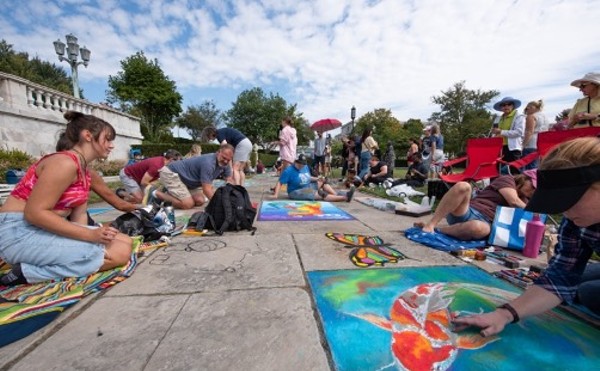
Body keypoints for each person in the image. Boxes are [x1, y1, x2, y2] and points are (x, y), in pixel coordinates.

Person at [453, 137, 600, 336]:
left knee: (588, 292)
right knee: (576, 282)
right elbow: (559, 279)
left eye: (569, 200)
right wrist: (505, 314)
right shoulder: (576, 221)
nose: (564, 212)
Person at [0, 111, 132, 286]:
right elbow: (34, 214)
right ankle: (25, 273)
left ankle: (38, 262)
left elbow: (79, 218)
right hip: (18, 232)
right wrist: (91, 235)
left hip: (37, 229)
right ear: (87, 136)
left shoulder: (83, 170)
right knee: (119, 253)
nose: (111, 146)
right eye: (107, 139)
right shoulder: (64, 163)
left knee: (125, 241)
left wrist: (93, 235)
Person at [414, 170, 536, 240]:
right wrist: (535, 211)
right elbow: (513, 201)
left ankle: (437, 230)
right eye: (532, 186)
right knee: (464, 186)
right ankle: (431, 224)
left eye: (536, 190)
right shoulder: (508, 180)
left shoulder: (524, 200)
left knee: (479, 229)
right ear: (525, 178)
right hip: (469, 211)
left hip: (486, 223)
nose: (533, 191)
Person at [147, 144, 234, 210]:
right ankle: (156, 193)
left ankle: (171, 194)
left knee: (200, 200)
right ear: (218, 152)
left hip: (187, 181)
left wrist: (234, 197)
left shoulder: (225, 164)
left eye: (228, 160)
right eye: (224, 157)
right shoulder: (209, 163)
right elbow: (207, 189)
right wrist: (220, 206)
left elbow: (230, 180)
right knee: (187, 204)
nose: (225, 161)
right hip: (171, 173)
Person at [271, 154, 355, 202]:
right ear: (295, 162)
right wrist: (276, 194)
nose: (301, 166)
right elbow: (280, 182)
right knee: (320, 193)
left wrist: (317, 179)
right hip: (296, 191)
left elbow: (307, 177)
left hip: (307, 186)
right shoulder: (289, 171)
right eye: (299, 164)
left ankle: (336, 195)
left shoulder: (305, 167)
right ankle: (345, 197)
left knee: (323, 183)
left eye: (303, 164)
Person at [117, 149, 181, 203]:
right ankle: (120, 193)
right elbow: (144, 182)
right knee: (139, 199)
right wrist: (155, 187)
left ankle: (130, 193)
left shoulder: (163, 161)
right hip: (128, 175)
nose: (178, 164)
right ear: (171, 159)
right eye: (178, 162)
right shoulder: (157, 165)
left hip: (138, 177)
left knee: (146, 199)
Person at [491, 96, 525, 164]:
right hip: (499, 148)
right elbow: (494, 132)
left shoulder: (519, 117)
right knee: (499, 170)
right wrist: (494, 134)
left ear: (513, 106)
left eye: (509, 104)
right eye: (503, 105)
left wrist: (501, 132)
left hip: (513, 148)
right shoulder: (498, 118)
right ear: (501, 107)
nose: (506, 106)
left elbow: (519, 132)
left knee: (512, 171)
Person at [522, 100, 550, 170]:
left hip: (531, 144)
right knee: (538, 167)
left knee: (530, 168)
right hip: (543, 143)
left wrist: (523, 145)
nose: (526, 110)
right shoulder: (545, 117)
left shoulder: (531, 117)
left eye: (527, 108)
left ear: (531, 107)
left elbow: (529, 132)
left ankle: (532, 181)